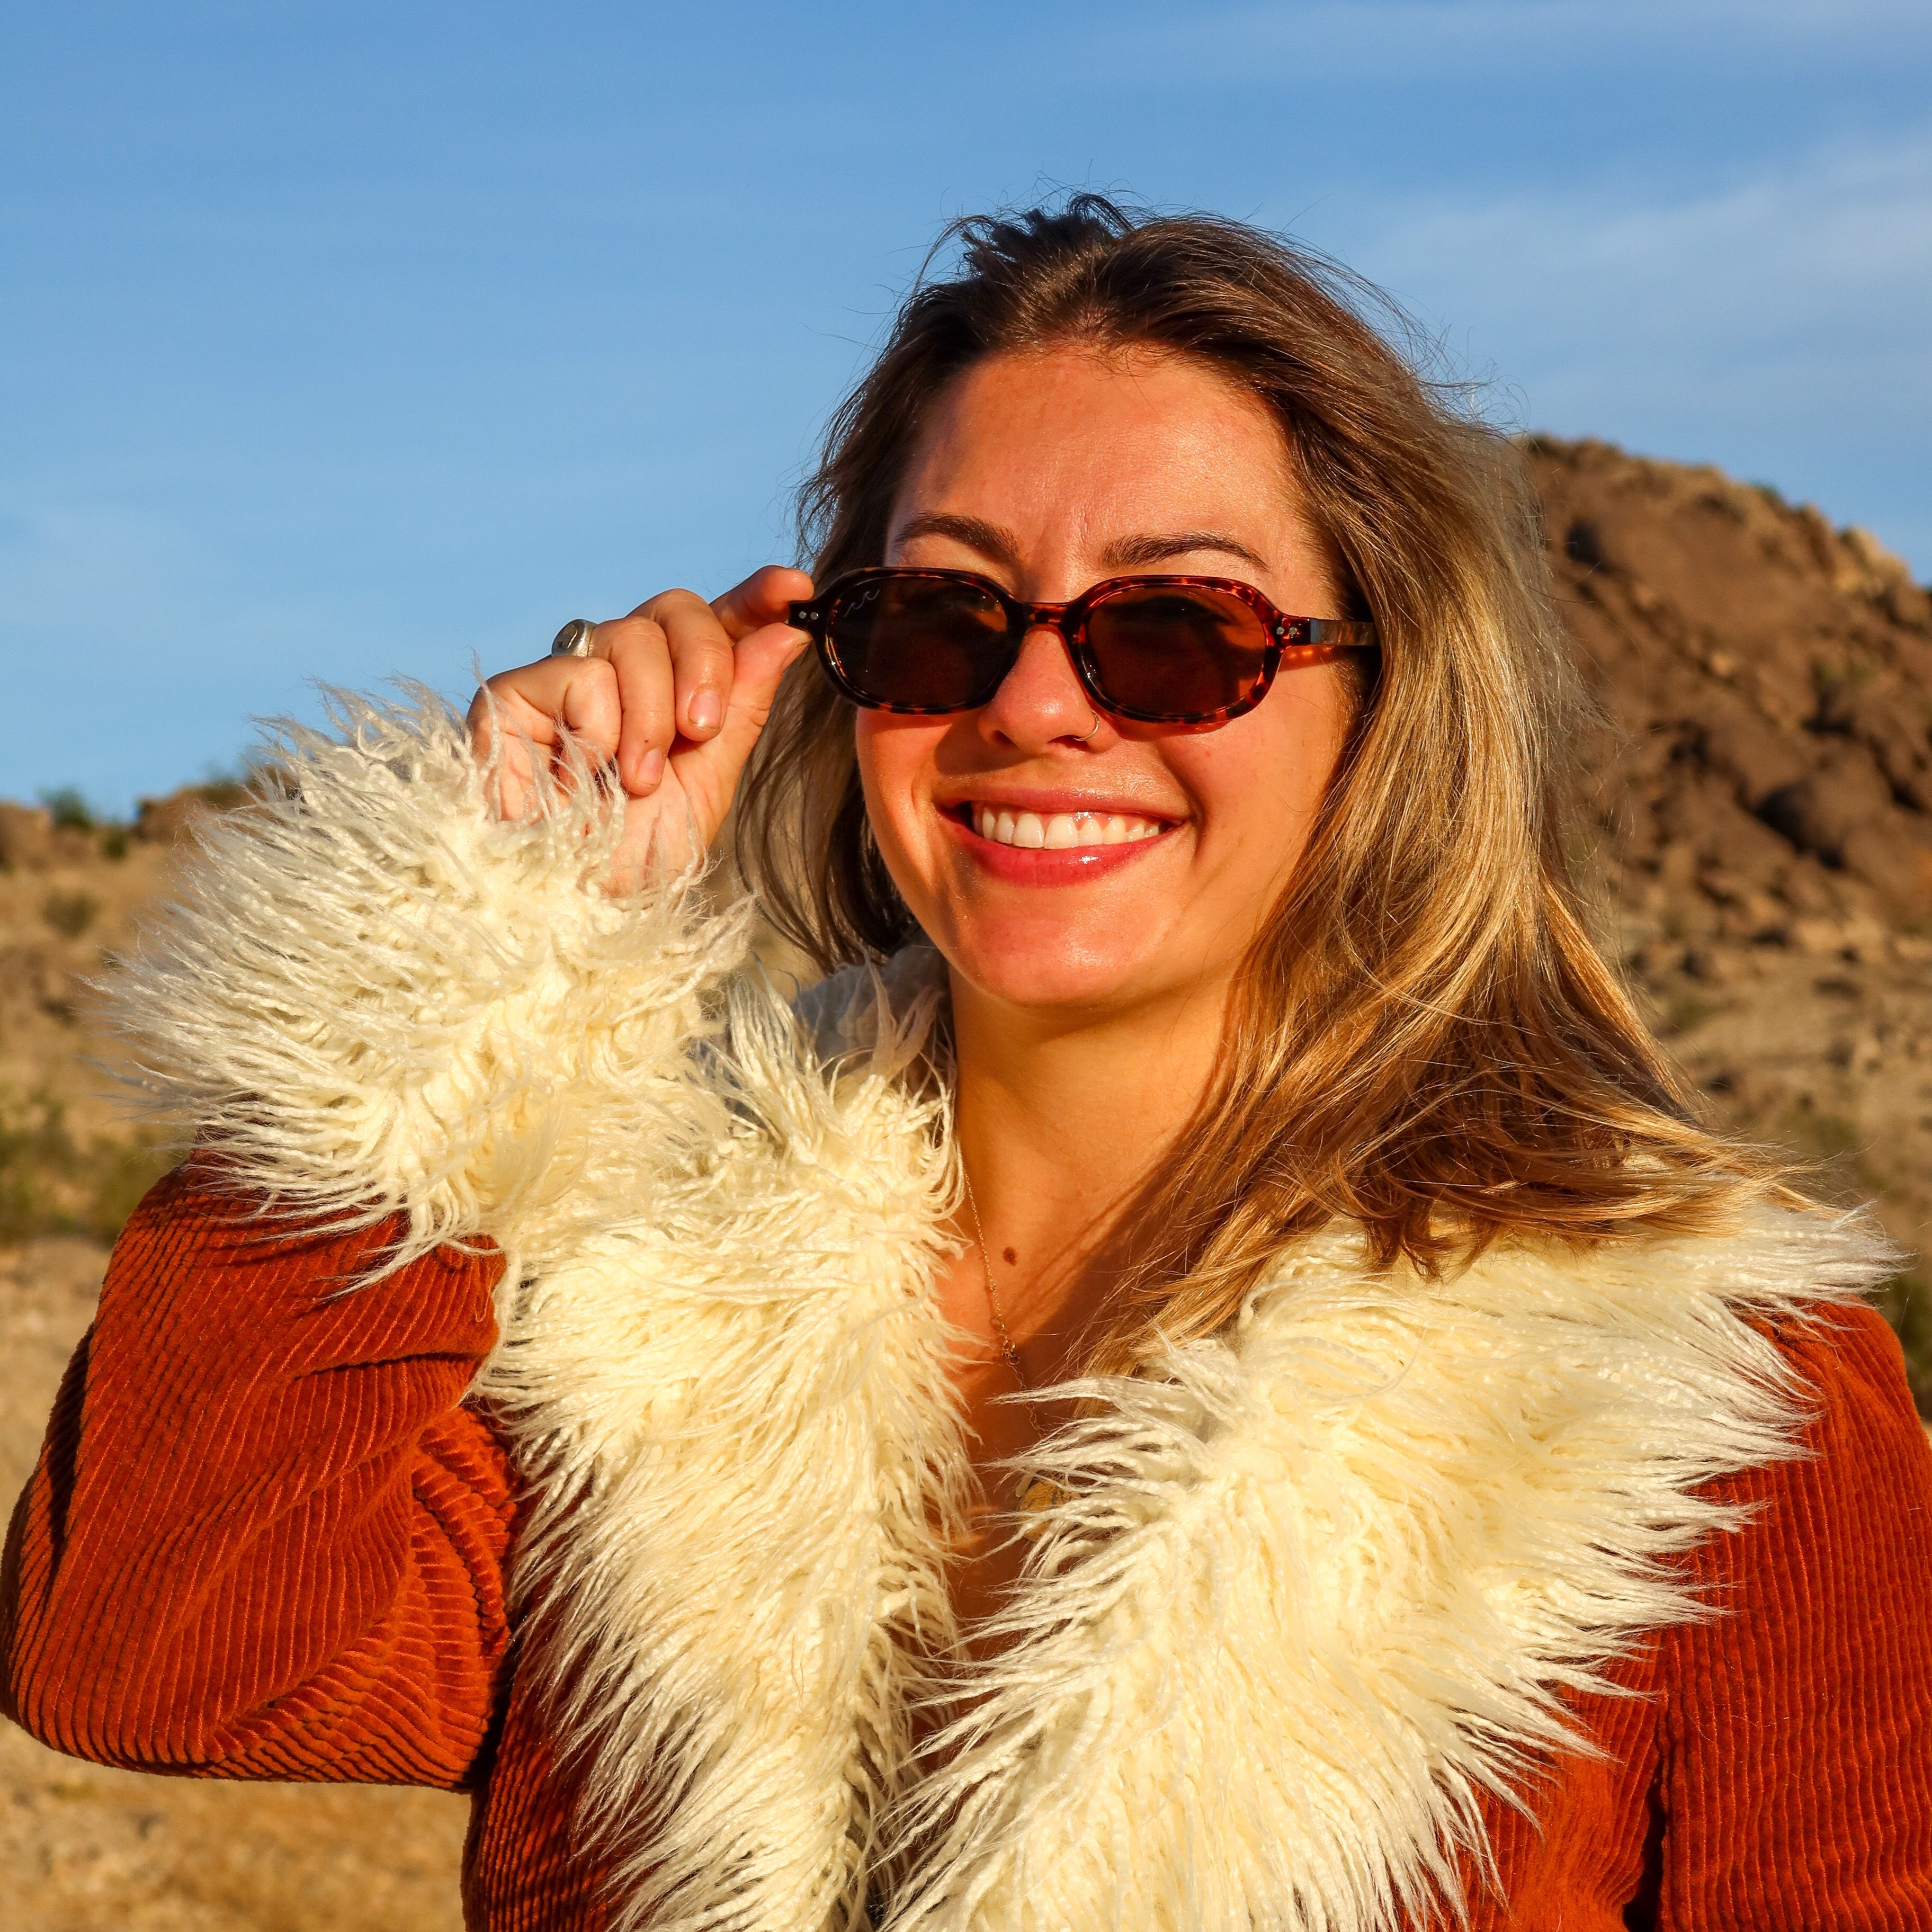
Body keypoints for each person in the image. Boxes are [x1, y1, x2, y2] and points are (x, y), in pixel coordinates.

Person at [4, 195, 1930, 1932]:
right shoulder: (632, 1309)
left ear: (1386, 704)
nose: (1031, 704)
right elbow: (155, 1647)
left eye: (1177, 633)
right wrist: (466, 941)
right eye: (942, 619)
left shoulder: (1696, 1408)